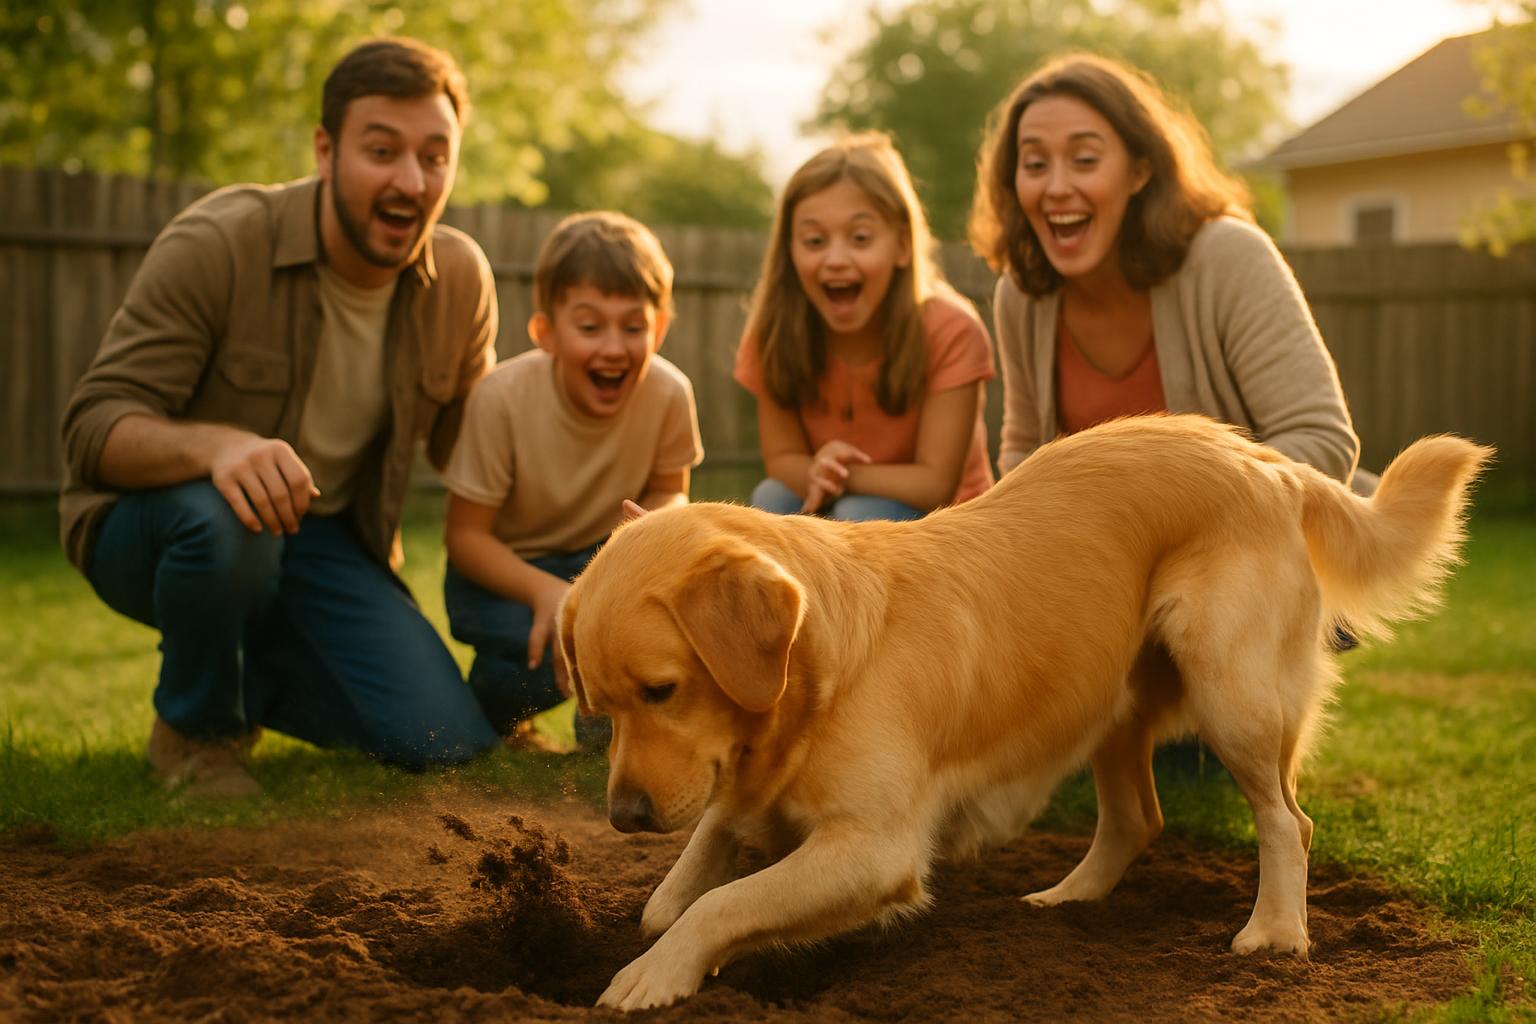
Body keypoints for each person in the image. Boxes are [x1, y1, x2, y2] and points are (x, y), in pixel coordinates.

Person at [58, 37, 502, 798]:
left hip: (322, 539)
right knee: (228, 522)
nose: (411, 179)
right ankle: (200, 735)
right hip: (165, 528)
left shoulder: (459, 279)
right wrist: (219, 447)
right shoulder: (221, 242)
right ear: (325, 151)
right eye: (382, 150)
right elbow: (93, 428)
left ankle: (239, 667)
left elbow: (480, 453)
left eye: (435, 156)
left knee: (442, 741)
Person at [968, 52, 1369, 494]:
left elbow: (1322, 441)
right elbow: (1024, 455)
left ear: (1139, 171)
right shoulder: (1022, 296)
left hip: (1251, 549)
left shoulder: (1229, 257)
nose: (1057, 187)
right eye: (1035, 165)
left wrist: (1164, 522)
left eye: (1084, 159)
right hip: (1110, 559)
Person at [440, 211, 702, 748]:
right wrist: (552, 596)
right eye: (589, 327)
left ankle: (605, 723)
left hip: (603, 560)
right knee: (531, 655)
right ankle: (501, 704)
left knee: (664, 626)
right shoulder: (502, 399)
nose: (612, 347)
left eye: (633, 327)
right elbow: (465, 538)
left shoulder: (671, 394)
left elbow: (672, 489)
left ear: (659, 328)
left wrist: (654, 530)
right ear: (547, 334)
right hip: (506, 576)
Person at [734, 132, 995, 522]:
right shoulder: (774, 334)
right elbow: (783, 460)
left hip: (951, 530)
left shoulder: (951, 330)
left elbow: (936, 484)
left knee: (861, 512)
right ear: (790, 250)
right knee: (773, 498)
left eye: (860, 238)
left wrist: (841, 474)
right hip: (837, 507)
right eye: (814, 240)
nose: (836, 259)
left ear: (903, 246)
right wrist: (816, 473)